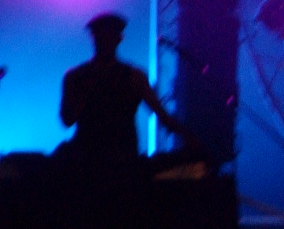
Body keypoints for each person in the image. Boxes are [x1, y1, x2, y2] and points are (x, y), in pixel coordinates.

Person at [58, 12, 187, 163]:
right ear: (120, 38)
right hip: (118, 157)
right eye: (102, 36)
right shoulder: (133, 76)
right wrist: (191, 139)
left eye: (107, 36)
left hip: (91, 157)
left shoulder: (76, 76)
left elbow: (67, 121)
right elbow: (163, 117)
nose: (104, 41)